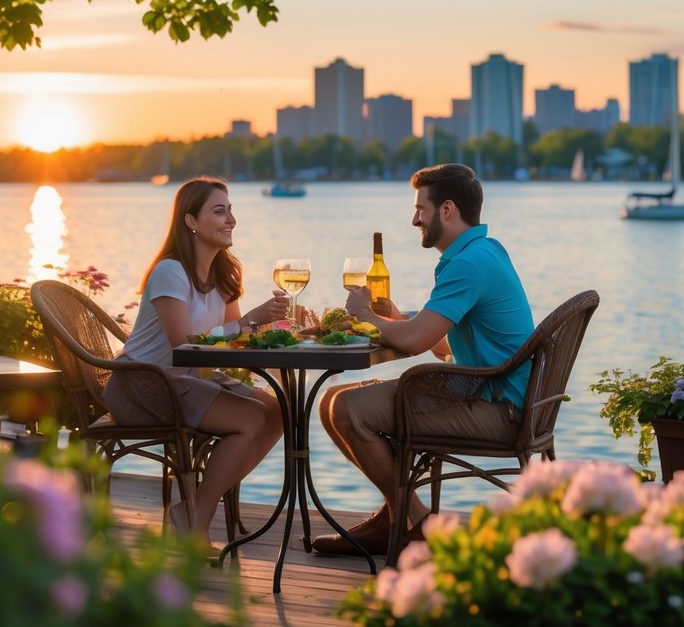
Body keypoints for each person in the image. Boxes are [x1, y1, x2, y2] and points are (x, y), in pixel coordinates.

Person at [312, 163, 534, 556]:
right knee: (333, 402)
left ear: (447, 210)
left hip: (497, 409)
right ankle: (398, 518)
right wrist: (396, 319)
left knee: (345, 409)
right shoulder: (485, 250)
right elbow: (442, 342)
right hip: (497, 394)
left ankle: (418, 520)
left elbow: (417, 343)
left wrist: (365, 316)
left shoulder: (466, 264)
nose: (414, 218)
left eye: (421, 209)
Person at [102, 176, 287, 544]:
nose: (230, 219)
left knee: (279, 411)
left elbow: (235, 337)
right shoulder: (170, 271)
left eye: (230, 210)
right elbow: (183, 345)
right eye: (219, 212)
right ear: (190, 222)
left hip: (191, 380)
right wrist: (250, 320)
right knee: (251, 418)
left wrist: (278, 329)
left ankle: (196, 508)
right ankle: (198, 515)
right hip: (142, 385)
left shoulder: (224, 273)